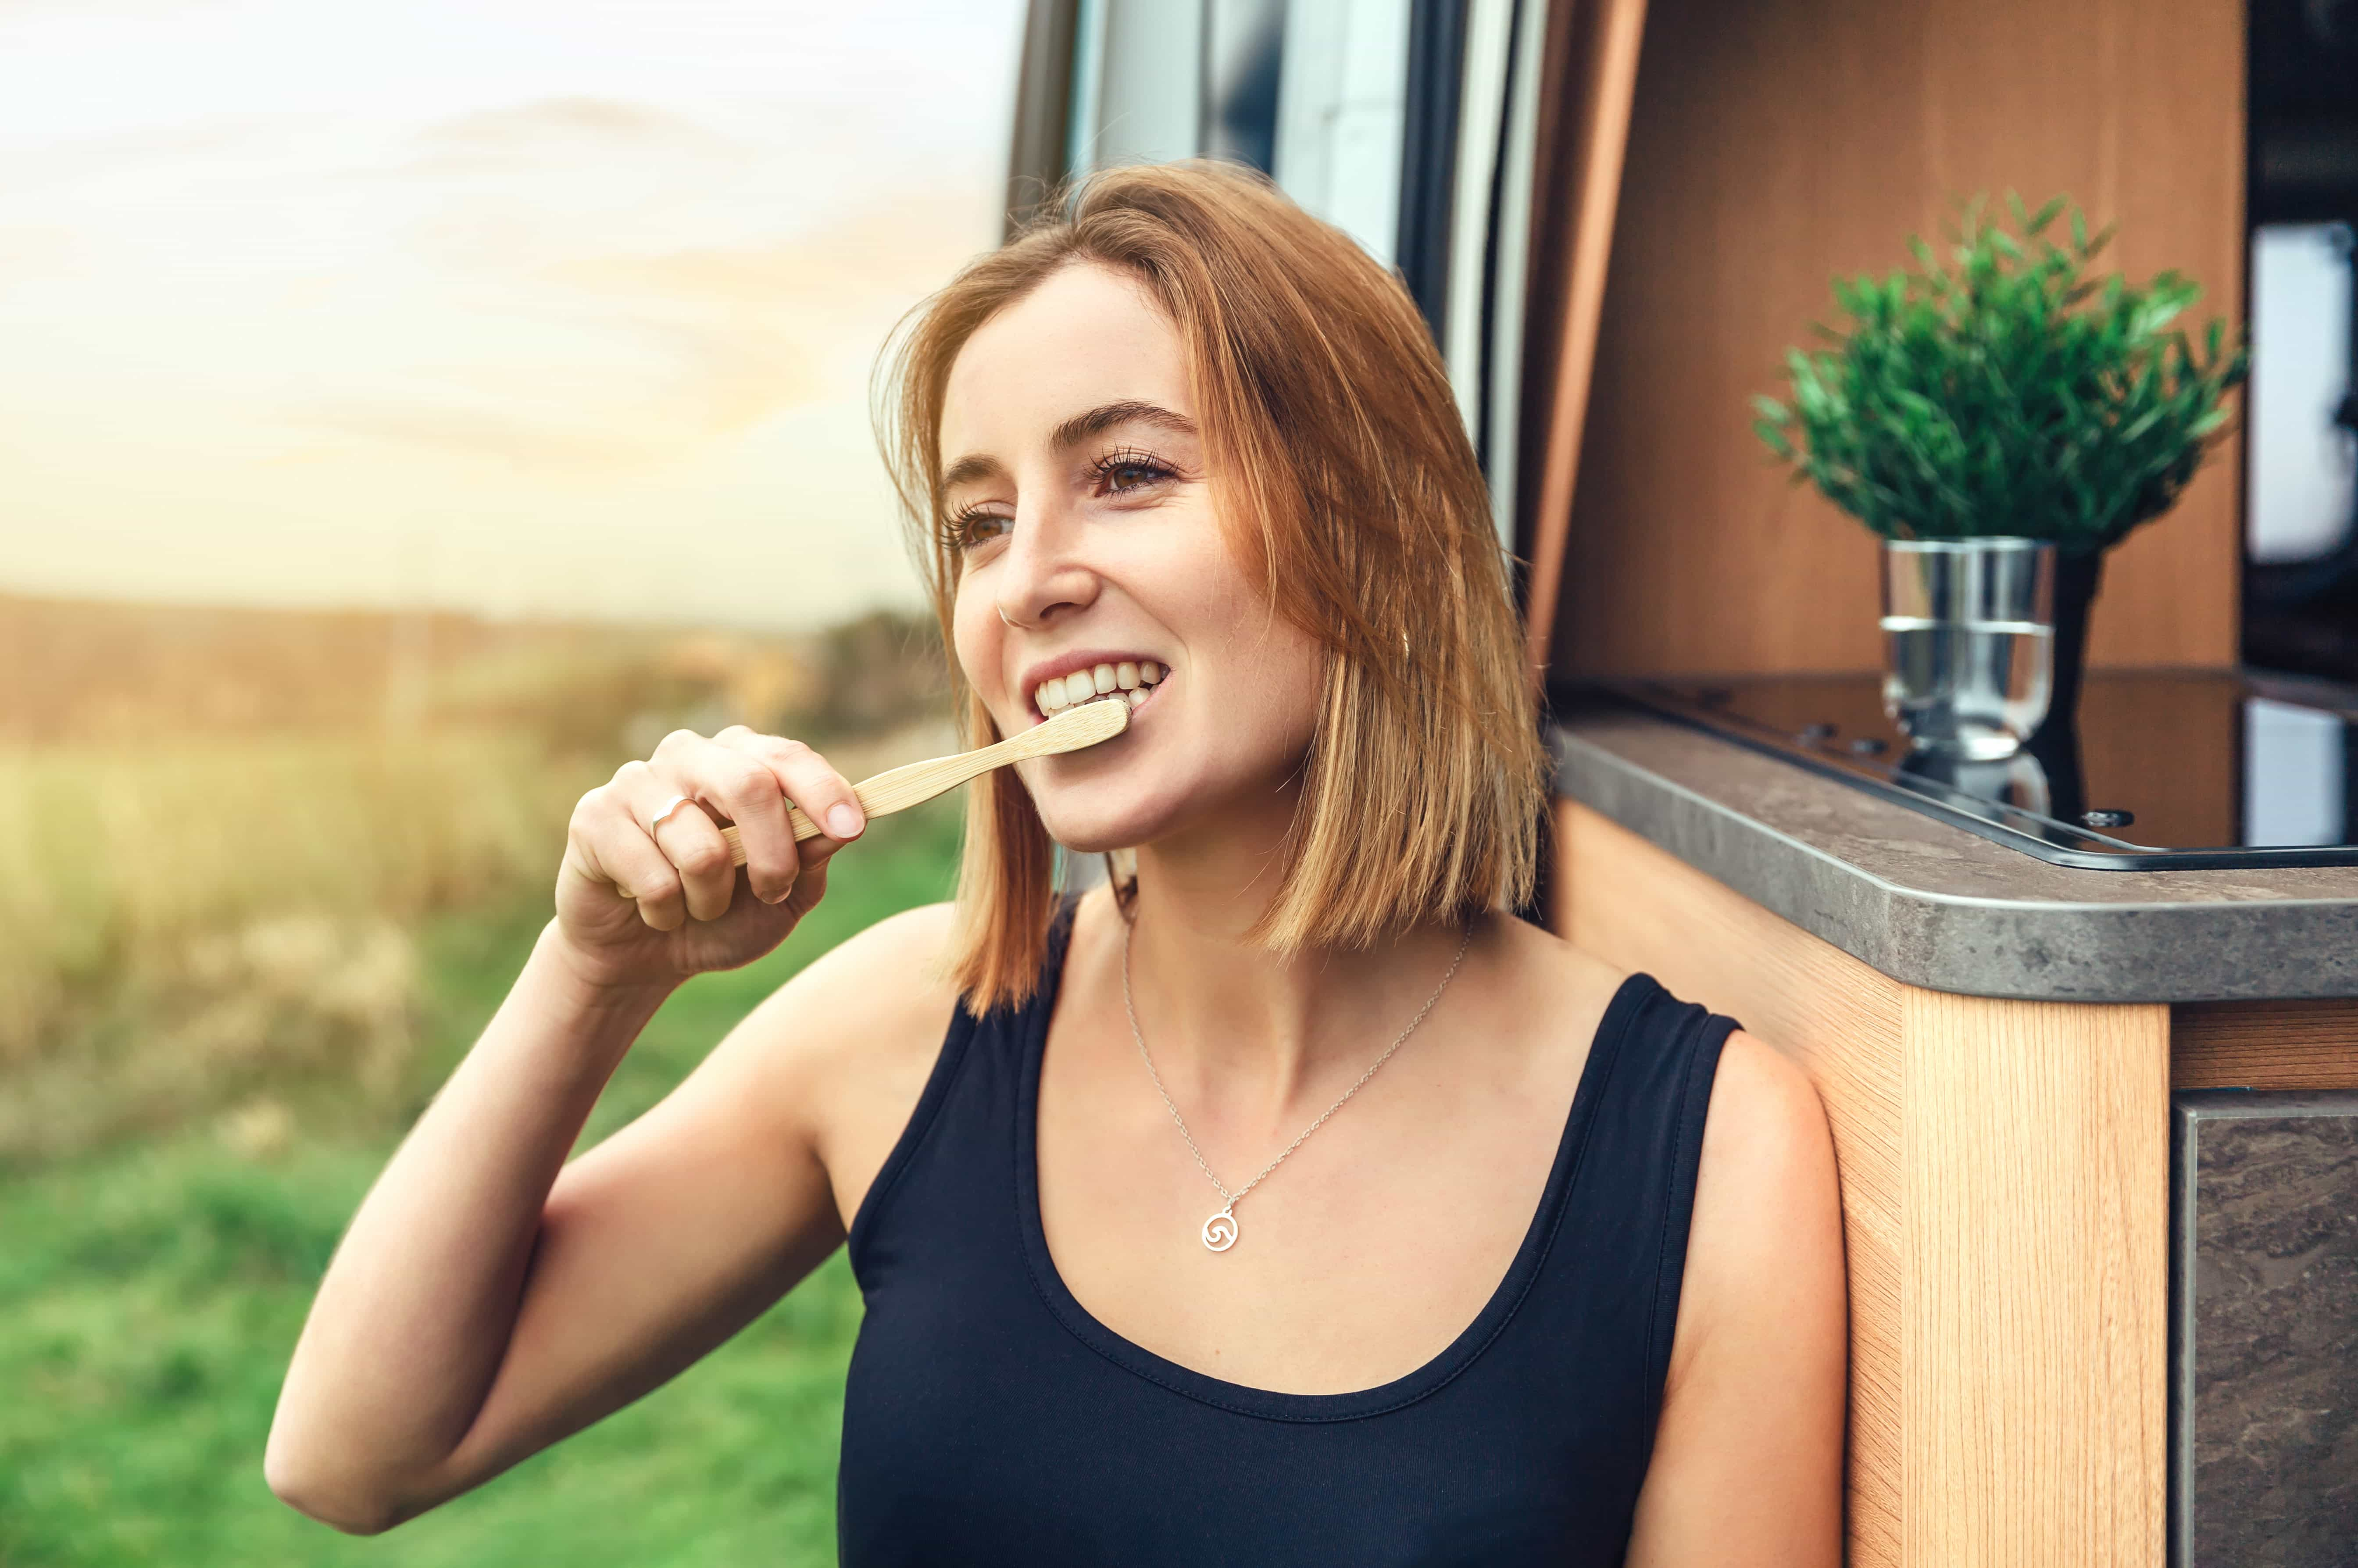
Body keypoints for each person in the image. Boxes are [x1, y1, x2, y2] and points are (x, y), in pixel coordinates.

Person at [266, 160, 1846, 1565]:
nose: (1023, 583)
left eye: (1131, 472)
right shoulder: (906, 1032)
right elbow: (356, 1450)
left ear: (1370, 519)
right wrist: (595, 970)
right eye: (976, 521)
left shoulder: (1713, 1156)